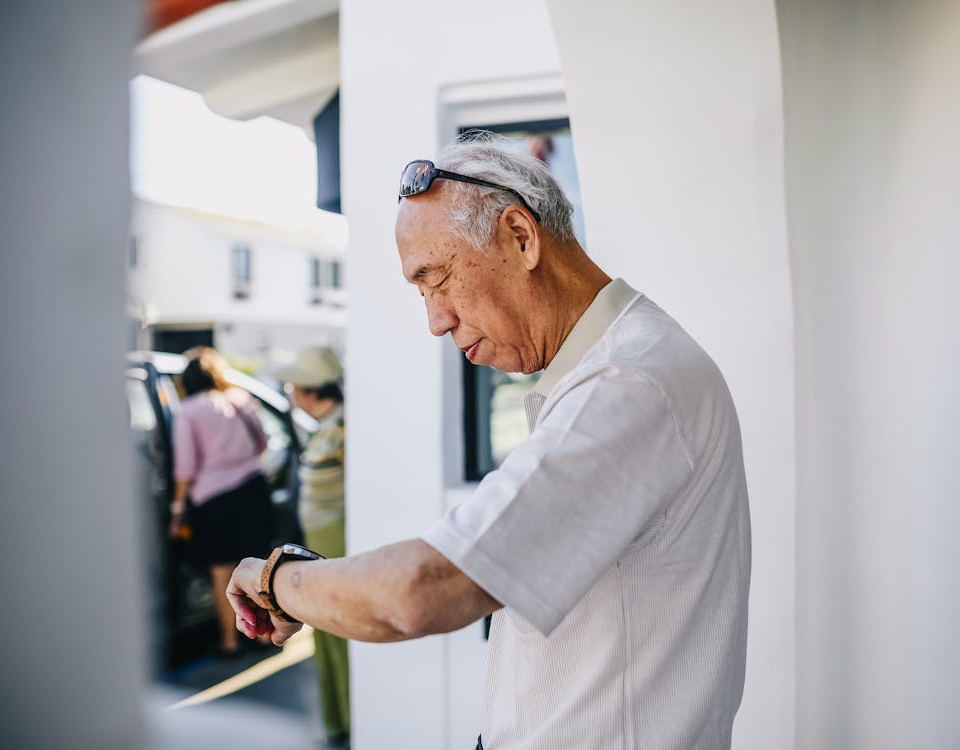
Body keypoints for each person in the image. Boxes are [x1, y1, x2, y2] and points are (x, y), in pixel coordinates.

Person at [227, 134, 751, 748]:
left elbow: (422, 591)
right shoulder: (618, 370)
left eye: (437, 278)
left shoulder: (628, 384)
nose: (435, 320)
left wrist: (276, 579)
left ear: (521, 237)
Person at [170, 346, 272, 656]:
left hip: (215, 500)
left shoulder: (188, 411)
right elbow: (263, 443)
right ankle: (266, 636)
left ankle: (229, 641)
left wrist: (177, 511)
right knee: (260, 567)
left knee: (222, 572)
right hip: (253, 490)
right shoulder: (241, 400)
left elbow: (185, 468)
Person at [272, 346, 350, 748]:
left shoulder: (344, 429)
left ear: (308, 389)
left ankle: (351, 722)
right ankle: (337, 722)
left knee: (340, 631)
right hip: (321, 547)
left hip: (337, 549)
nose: (289, 392)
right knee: (324, 632)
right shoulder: (325, 428)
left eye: (292, 385)